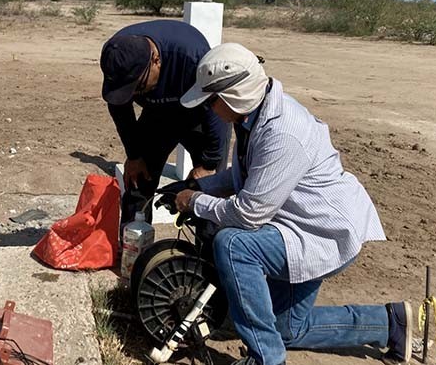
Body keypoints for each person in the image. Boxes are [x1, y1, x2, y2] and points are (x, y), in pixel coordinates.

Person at [172, 43, 413, 365]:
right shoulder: (253, 117)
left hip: (321, 231)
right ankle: (389, 323)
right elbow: (253, 172)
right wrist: (200, 185)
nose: (209, 109)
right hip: (302, 223)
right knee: (286, 329)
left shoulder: (284, 132)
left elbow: (248, 213)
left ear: (234, 96)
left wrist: (196, 202)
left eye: (211, 100)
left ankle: (267, 359)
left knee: (233, 245)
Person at [100, 20, 229, 227]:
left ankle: (207, 246)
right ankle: (133, 244)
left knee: (208, 190)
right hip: (157, 115)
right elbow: (119, 109)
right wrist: (134, 155)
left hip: (200, 113)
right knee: (138, 182)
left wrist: (209, 164)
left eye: (138, 86)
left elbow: (216, 108)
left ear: (156, 60)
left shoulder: (191, 56)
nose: (134, 94)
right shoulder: (117, 55)